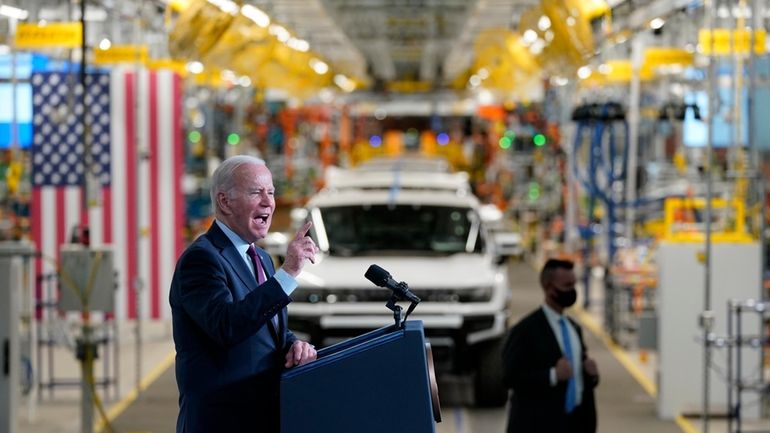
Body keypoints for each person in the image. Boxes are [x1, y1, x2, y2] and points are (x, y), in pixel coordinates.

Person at [170, 155, 319, 433]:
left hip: (263, 417)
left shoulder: (260, 257)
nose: (268, 202)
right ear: (225, 201)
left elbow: (264, 326)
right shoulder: (201, 260)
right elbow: (226, 326)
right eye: (256, 192)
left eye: (271, 192)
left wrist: (293, 344)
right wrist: (287, 274)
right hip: (221, 422)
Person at [502, 258, 600, 433]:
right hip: (539, 424)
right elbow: (510, 377)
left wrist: (590, 374)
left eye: (574, 285)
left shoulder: (574, 328)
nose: (572, 291)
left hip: (574, 423)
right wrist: (552, 375)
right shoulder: (525, 330)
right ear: (548, 288)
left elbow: (577, 379)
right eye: (566, 286)